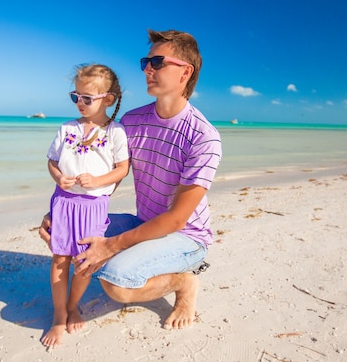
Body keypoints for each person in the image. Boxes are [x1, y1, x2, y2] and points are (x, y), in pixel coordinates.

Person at [41, 29, 221, 331]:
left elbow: (177, 219)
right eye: (146, 62)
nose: (147, 69)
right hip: (144, 221)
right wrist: (63, 211)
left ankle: (184, 283)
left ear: (185, 72)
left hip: (186, 237)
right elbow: (107, 172)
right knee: (76, 235)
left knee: (117, 284)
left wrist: (110, 246)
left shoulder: (203, 137)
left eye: (157, 62)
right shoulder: (133, 122)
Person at [40, 64, 129, 347]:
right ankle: (58, 315)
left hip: (94, 205)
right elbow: (52, 161)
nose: (80, 103)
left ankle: (73, 305)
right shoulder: (66, 128)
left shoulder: (115, 132)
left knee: (83, 262)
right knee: (59, 259)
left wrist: (98, 180)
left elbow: (123, 169)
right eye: (75, 96)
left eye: (87, 98)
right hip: (64, 202)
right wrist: (59, 177)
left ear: (108, 99)